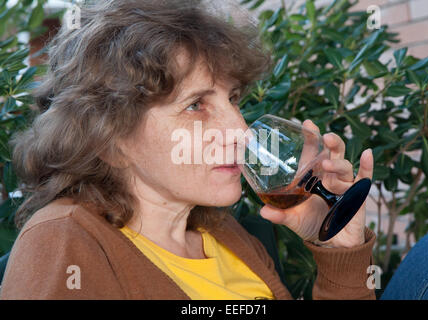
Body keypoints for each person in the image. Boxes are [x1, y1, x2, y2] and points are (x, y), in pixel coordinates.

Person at [0, 0, 376, 300]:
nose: (240, 131)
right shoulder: (64, 242)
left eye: (232, 98)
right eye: (196, 105)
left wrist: (340, 251)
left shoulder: (225, 234)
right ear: (111, 142)